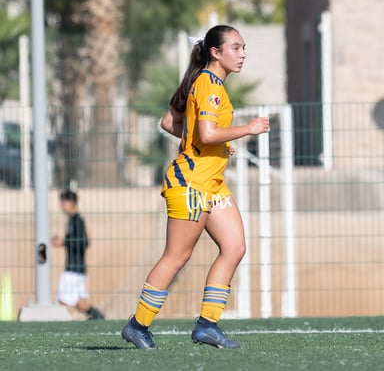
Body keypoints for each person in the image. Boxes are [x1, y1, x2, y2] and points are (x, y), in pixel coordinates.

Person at [121, 25, 269, 349]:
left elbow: (170, 123)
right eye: (236, 47)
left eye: (244, 48)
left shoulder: (204, 82)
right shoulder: (209, 85)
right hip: (190, 183)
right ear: (215, 52)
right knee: (177, 256)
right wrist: (248, 128)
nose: (242, 54)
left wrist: (213, 147)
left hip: (212, 185)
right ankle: (137, 324)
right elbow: (207, 132)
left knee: (235, 247)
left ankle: (207, 325)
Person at [52, 189, 105, 320]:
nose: (62, 205)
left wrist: (63, 241)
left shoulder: (77, 221)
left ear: (72, 203)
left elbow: (84, 242)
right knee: (80, 303)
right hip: (75, 269)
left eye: (64, 202)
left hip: (74, 270)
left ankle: (96, 318)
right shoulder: (71, 221)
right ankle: (98, 318)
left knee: (62, 300)